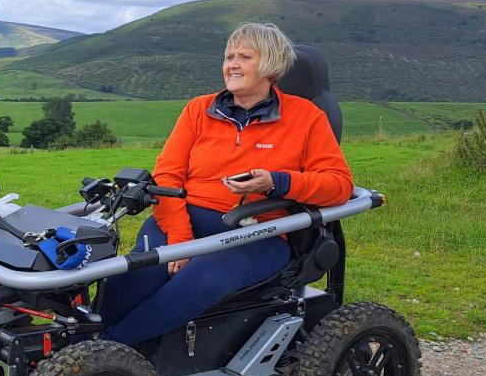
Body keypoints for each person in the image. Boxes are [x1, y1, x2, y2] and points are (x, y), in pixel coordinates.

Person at [100, 22, 353, 347]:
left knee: (195, 281)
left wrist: (277, 181)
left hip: (254, 234)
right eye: (228, 56)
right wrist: (180, 238)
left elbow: (338, 185)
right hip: (182, 220)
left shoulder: (306, 117)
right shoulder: (198, 110)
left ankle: (109, 353)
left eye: (244, 57)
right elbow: (167, 175)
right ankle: (88, 348)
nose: (231, 64)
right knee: (131, 279)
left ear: (270, 65)